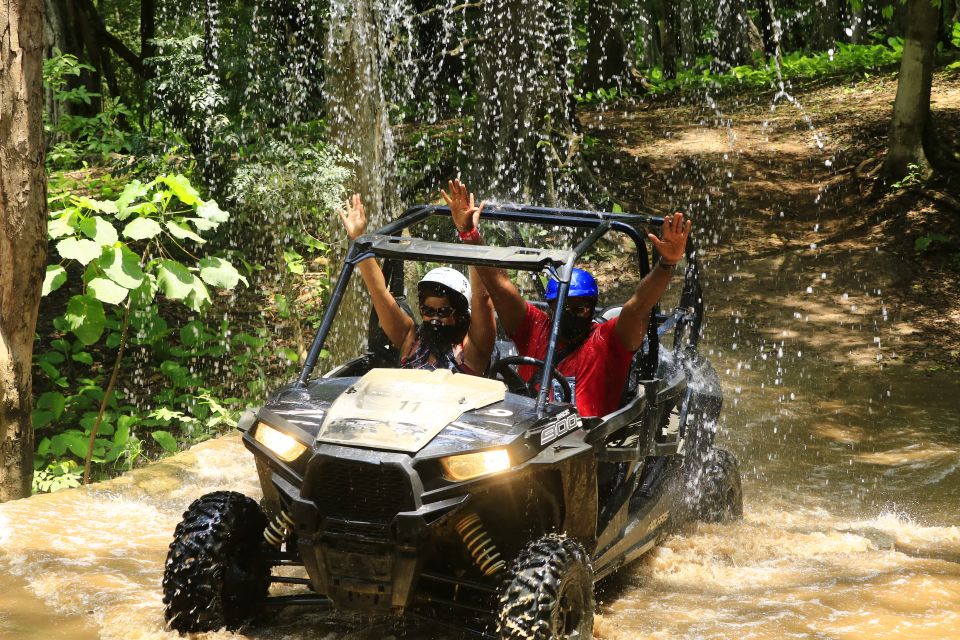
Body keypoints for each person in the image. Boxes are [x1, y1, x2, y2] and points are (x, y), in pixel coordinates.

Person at [443, 179, 692, 417]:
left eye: (580, 308)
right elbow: (499, 286)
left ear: (591, 308)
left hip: (584, 448)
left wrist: (666, 264)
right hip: (525, 438)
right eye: (563, 307)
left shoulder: (608, 341)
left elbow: (638, 307)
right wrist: (469, 233)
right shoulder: (534, 328)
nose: (570, 314)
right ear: (552, 307)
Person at [338, 193, 495, 375]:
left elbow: (482, 297)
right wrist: (359, 238)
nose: (434, 319)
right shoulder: (410, 339)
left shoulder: (473, 348)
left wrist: (469, 234)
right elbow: (379, 292)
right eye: (428, 311)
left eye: (443, 312)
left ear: (461, 314)